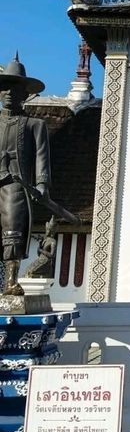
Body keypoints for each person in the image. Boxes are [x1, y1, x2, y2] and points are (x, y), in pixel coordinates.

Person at [0, 55, 50, 296]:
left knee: (13, 229)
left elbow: (42, 156)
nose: (9, 93)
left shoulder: (34, 125)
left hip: (15, 184)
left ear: (25, 94)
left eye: (15, 89)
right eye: (5, 88)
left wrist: (42, 183)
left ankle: (10, 280)